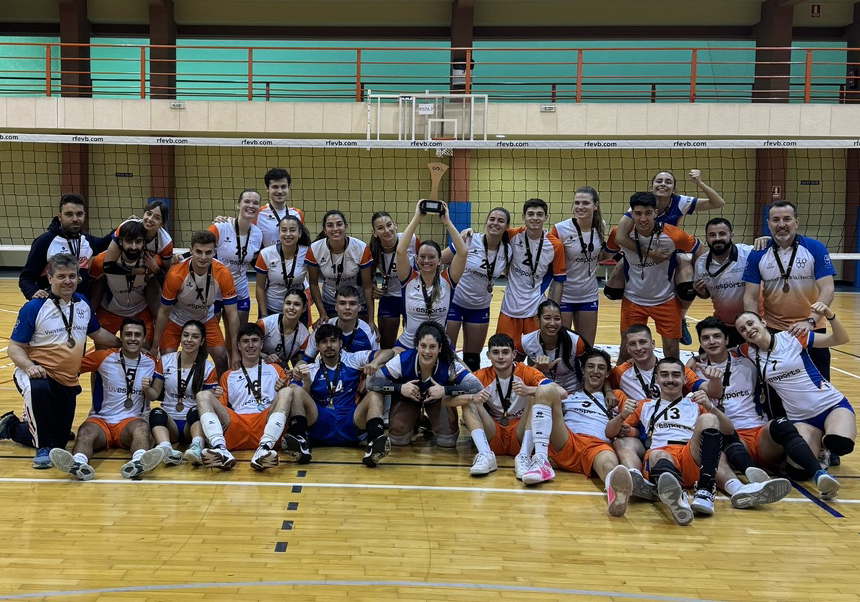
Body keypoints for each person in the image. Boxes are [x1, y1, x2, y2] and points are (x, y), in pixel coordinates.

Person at [690, 316, 830, 500]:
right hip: (732, 436)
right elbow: (705, 396)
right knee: (727, 436)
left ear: (727, 340)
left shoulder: (749, 361)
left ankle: (820, 475)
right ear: (700, 342)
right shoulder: (695, 369)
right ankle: (754, 476)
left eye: (717, 336)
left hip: (761, 434)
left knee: (782, 425)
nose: (712, 341)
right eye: (706, 338)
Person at [1, 253, 120, 468]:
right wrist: (29, 367)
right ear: (50, 278)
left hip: (67, 380)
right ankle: (42, 450)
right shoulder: (34, 307)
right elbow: (14, 347)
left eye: (72, 276)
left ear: (78, 278)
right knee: (39, 392)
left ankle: (10, 426)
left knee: (61, 439)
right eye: (62, 276)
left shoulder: (82, 304)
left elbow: (98, 333)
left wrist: (125, 345)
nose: (67, 281)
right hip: (38, 375)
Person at [735, 305, 854, 498]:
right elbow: (724, 353)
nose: (748, 330)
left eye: (751, 323)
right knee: (799, 473)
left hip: (831, 405)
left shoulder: (791, 337)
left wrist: (829, 315)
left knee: (840, 443)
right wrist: (698, 358)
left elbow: (841, 339)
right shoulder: (749, 351)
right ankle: (820, 450)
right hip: (801, 419)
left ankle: (826, 443)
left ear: (763, 322)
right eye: (742, 329)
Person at [606, 358, 734, 525]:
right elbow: (610, 433)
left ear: (685, 379)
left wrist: (710, 407)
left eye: (676, 375)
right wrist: (621, 416)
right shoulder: (644, 405)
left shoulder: (696, 403)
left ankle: (705, 489)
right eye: (664, 375)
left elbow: (729, 430)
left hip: (690, 456)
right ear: (657, 378)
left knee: (709, 418)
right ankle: (675, 495)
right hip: (661, 458)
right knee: (656, 453)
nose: (670, 380)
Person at [607, 170, 725, 345]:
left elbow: (718, 203)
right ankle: (635, 309)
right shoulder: (639, 207)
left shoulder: (680, 202)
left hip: (669, 251)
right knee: (612, 289)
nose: (663, 184)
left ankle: (681, 318)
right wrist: (650, 253)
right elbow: (620, 237)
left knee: (687, 283)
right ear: (651, 186)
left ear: (673, 188)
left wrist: (699, 183)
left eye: (668, 182)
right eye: (659, 181)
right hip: (641, 251)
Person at [609, 323, 723, 498]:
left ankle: (720, 486)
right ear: (627, 348)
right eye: (633, 344)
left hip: (678, 428)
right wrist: (609, 392)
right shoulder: (620, 372)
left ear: (653, 343)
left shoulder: (673, 369)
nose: (639, 348)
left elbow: (712, 391)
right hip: (645, 427)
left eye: (643, 342)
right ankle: (638, 480)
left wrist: (714, 380)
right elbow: (605, 385)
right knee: (622, 441)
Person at [519, 349, 635, 515]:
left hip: (598, 445)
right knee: (546, 390)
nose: (595, 371)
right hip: (568, 440)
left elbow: (628, 426)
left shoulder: (617, 397)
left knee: (609, 465)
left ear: (608, 373)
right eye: (591, 367)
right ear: (584, 370)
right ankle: (542, 461)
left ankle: (615, 494)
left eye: (601, 368)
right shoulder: (569, 395)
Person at [47, 318, 165, 480]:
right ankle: (78, 464)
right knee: (85, 431)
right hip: (101, 420)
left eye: (137, 335)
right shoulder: (102, 357)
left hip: (130, 422)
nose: (132, 339)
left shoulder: (152, 363)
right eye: (128, 334)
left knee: (142, 429)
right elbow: (70, 368)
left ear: (144, 339)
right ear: (120, 337)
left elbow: (159, 392)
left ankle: (138, 462)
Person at [743, 200, 836, 380]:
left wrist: (810, 321)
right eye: (775, 220)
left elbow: (828, 290)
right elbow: (751, 298)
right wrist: (753, 328)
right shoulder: (758, 253)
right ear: (768, 224)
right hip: (774, 330)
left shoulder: (815, 248)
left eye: (787, 219)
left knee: (820, 384)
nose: (781, 224)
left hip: (812, 328)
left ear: (796, 222)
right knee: (777, 384)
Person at [282, 324, 394, 467]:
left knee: (374, 393)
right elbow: (291, 391)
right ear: (317, 346)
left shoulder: (353, 359)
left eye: (333, 341)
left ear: (340, 343)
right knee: (296, 391)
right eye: (324, 342)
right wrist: (307, 383)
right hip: (321, 422)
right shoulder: (310, 369)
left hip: (350, 420)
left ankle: (373, 443)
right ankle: (300, 440)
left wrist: (374, 363)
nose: (329, 345)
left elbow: (389, 352)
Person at [605, 192, 699, 361]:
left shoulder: (674, 235)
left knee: (671, 351)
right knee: (626, 351)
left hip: (666, 299)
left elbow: (699, 249)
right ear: (631, 214)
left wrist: (697, 273)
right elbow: (606, 253)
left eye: (648, 213)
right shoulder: (619, 234)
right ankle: (617, 387)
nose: (643, 219)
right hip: (633, 299)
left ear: (656, 213)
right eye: (638, 213)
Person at [446, 333, 552, 476]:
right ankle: (485, 454)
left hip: (520, 432)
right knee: (469, 402)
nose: (500, 357)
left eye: (505, 352)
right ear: (488, 355)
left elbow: (560, 393)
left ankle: (525, 455)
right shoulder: (481, 376)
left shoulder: (526, 372)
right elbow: (446, 400)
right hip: (493, 433)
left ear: (514, 354)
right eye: (495, 352)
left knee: (536, 396)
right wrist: (472, 396)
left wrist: (529, 390)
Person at [195, 323, 294, 471]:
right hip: (237, 425)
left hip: (266, 423)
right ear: (239, 346)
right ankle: (220, 448)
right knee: (203, 395)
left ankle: (265, 448)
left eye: (254, 340)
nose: (250, 345)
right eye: (245, 341)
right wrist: (214, 399)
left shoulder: (275, 369)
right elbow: (221, 410)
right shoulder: (228, 375)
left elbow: (287, 401)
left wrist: (284, 388)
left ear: (261, 344)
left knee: (287, 392)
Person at [367, 321, 482, 448]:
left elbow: (476, 386)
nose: (427, 351)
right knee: (398, 440)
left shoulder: (448, 363)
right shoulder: (403, 360)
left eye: (432, 347)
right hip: (408, 400)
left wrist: (445, 390)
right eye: (423, 346)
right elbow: (372, 382)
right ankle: (416, 420)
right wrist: (400, 388)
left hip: (438, 401)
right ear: (416, 346)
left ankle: (430, 421)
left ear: (440, 348)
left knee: (447, 441)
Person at [151, 230, 239, 376]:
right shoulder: (176, 274)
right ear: (190, 250)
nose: (203, 257)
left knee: (222, 356)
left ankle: (222, 395)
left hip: (205, 318)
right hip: (176, 319)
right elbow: (164, 311)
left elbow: (232, 314)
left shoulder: (223, 273)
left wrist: (234, 353)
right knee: (166, 357)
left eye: (208, 252)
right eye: (199, 252)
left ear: (214, 252)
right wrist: (155, 346)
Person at [442, 207, 511, 372]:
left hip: (479, 307)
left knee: (472, 360)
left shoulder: (508, 250)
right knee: (446, 353)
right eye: (492, 219)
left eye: (501, 221)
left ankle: (470, 393)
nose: (495, 223)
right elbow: (441, 258)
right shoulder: (470, 239)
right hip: (455, 302)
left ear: (507, 227)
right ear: (486, 221)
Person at [394, 200, 468, 349]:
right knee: (382, 370)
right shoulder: (409, 279)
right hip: (408, 344)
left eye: (431, 257)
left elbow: (463, 252)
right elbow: (400, 251)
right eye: (422, 256)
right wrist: (417, 218)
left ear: (440, 260)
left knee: (464, 371)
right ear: (416, 259)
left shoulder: (447, 280)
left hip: (438, 346)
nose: (426, 260)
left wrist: (447, 222)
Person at [496, 198, 566, 356]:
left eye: (539, 214)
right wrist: (469, 234)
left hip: (535, 308)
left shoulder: (555, 245)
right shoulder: (511, 235)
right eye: (531, 214)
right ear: (523, 217)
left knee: (537, 356)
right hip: (510, 306)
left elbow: (559, 280)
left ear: (546, 217)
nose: (535, 218)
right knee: (506, 353)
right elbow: (491, 235)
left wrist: (553, 309)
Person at [147, 320, 219, 466]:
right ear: (180, 338)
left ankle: (197, 446)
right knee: (156, 413)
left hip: (191, 424)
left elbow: (207, 403)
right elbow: (154, 394)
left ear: (202, 340)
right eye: (185, 335)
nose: (189, 340)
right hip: (170, 423)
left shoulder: (208, 368)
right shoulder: (165, 361)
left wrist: (215, 397)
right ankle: (165, 448)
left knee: (197, 411)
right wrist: (146, 388)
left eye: (195, 336)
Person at [19, 193, 112, 300]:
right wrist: (33, 292)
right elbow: (26, 278)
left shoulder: (86, 240)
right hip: (52, 306)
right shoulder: (45, 241)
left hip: (79, 306)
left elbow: (107, 242)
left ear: (84, 215)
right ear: (60, 217)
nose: (75, 218)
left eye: (79, 214)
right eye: (69, 214)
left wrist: (127, 224)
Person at [549, 186, 611, 346]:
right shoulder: (560, 229)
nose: (580, 207)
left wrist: (617, 247)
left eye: (585, 203)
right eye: (577, 203)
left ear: (595, 205)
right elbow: (548, 261)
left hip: (588, 294)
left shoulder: (600, 225)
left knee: (586, 347)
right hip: (563, 294)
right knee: (561, 346)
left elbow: (599, 256)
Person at [89, 220, 158, 348]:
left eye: (138, 242)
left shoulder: (152, 262)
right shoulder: (101, 261)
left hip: (139, 310)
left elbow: (159, 286)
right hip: (109, 311)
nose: (133, 247)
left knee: (145, 352)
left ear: (144, 243)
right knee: (102, 356)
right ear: (120, 242)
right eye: (129, 241)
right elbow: (95, 287)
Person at [208, 189, 264, 337]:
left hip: (239, 290)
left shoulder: (258, 234)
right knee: (209, 339)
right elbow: (200, 249)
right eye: (247, 201)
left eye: (255, 203)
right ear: (237, 205)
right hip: (214, 290)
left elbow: (254, 259)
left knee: (238, 337)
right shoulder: (220, 227)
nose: (251, 205)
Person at [306, 210, 376, 328]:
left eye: (339, 224)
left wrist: (371, 320)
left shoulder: (360, 248)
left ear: (345, 227)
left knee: (358, 337)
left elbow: (368, 286)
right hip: (329, 301)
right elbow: (313, 284)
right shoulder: (315, 249)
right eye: (330, 225)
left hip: (356, 301)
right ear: (325, 230)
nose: (335, 228)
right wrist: (322, 313)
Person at [692, 218, 754, 346]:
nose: (717, 238)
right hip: (724, 324)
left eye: (722, 234)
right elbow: (706, 295)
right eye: (712, 235)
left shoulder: (749, 253)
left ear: (731, 236)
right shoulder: (701, 263)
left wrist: (766, 239)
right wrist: (700, 292)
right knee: (705, 358)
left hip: (752, 323)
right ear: (706, 238)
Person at [368, 211, 418, 349]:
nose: (386, 230)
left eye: (389, 225)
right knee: (386, 346)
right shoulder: (372, 250)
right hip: (389, 298)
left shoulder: (411, 240)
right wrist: (374, 288)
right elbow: (368, 276)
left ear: (395, 225)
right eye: (380, 228)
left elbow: (426, 261)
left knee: (414, 345)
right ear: (374, 233)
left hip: (412, 297)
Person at [521, 299, 588, 395]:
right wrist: (536, 367)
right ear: (538, 320)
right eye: (547, 318)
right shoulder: (526, 341)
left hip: (574, 393)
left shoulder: (575, 341)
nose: (552, 323)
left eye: (557, 318)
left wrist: (607, 390)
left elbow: (593, 368)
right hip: (543, 392)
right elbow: (515, 372)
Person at [255, 214, 311, 318]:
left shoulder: (307, 252)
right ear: (279, 233)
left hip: (297, 311)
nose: (288, 234)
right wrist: (263, 314)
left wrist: (307, 302)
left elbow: (314, 283)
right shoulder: (265, 254)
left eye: (292, 230)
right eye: (284, 230)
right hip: (271, 308)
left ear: (299, 233)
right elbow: (259, 287)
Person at [301, 285, 378, 361]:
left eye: (352, 304)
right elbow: (306, 360)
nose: (347, 307)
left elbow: (377, 362)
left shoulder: (369, 332)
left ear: (359, 308)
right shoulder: (322, 328)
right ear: (336, 307)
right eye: (342, 303)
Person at [258, 288, 311, 368]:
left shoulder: (304, 335)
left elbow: (299, 363)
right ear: (283, 305)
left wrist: (294, 372)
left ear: (303, 308)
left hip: (280, 371)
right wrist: (265, 357)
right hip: (257, 366)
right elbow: (246, 349)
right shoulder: (264, 324)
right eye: (288, 303)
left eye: (296, 304)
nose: (291, 307)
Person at [256, 167, 304, 248]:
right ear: (267, 188)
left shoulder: (297, 213)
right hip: (267, 259)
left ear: (289, 188)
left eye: (283, 187)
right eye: (275, 187)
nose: (280, 191)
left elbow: (301, 241)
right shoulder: (258, 214)